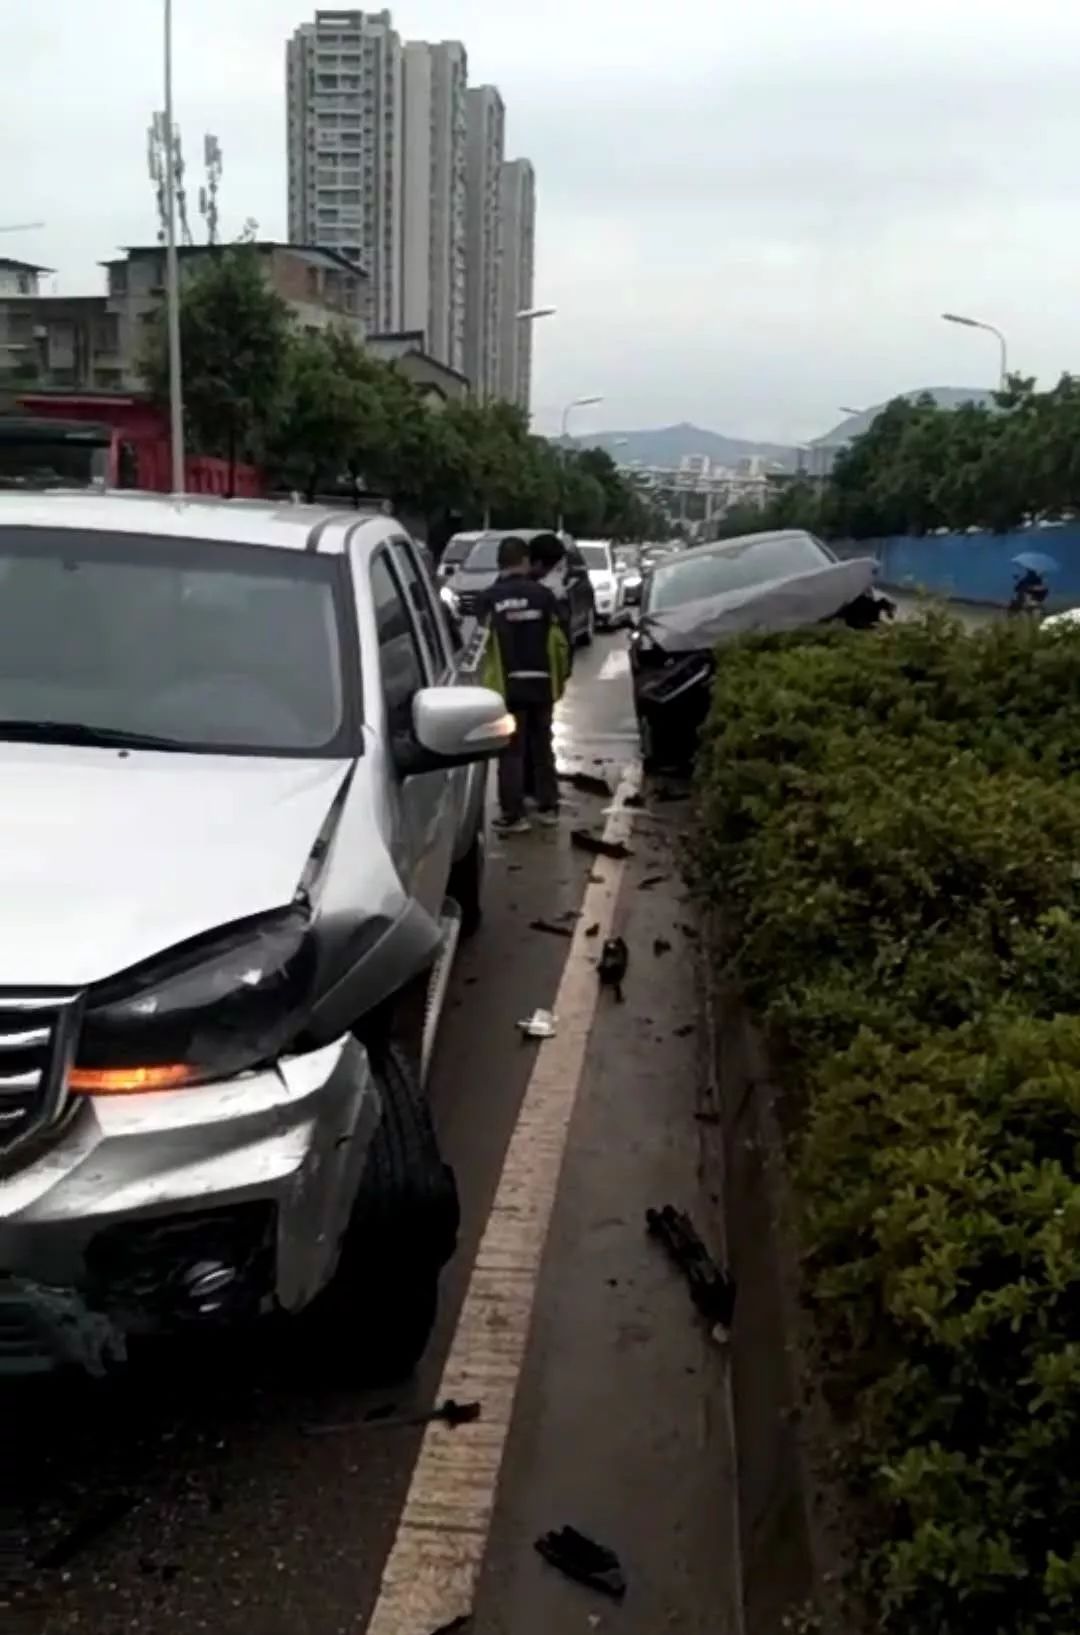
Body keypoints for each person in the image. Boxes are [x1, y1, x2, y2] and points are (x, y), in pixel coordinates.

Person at [478, 535, 571, 834]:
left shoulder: (488, 599)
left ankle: (513, 815)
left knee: (511, 751)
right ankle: (548, 806)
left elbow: (478, 647)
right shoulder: (544, 597)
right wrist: (561, 678)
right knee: (542, 745)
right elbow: (560, 641)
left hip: (506, 686)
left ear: (500, 563)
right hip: (542, 683)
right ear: (525, 561)